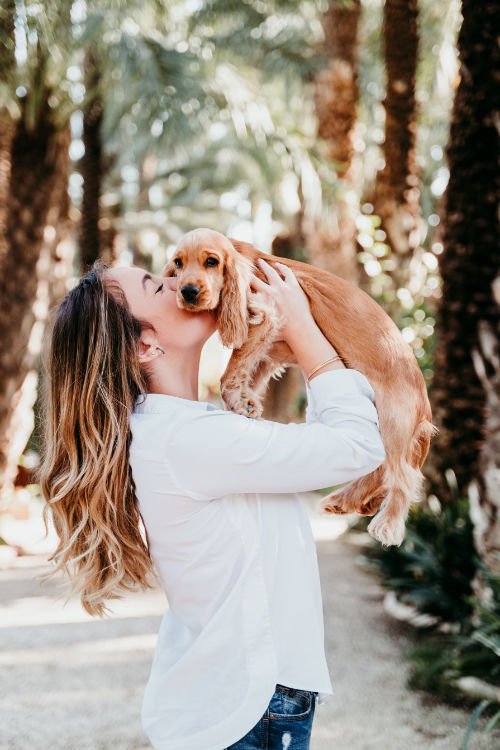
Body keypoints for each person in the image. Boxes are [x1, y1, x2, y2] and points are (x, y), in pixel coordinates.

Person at [39, 255, 386, 750]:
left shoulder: (179, 431)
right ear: (146, 345)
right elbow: (356, 445)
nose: (183, 281)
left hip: (236, 700)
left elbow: (315, 452)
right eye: (159, 287)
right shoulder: (189, 440)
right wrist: (303, 327)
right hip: (252, 707)